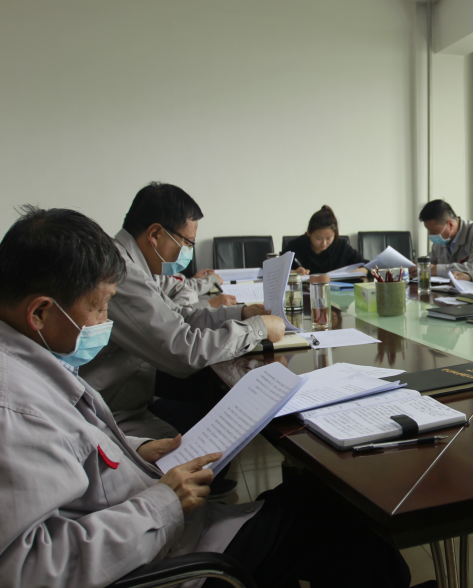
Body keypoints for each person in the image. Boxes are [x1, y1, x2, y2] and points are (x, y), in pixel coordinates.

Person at [0, 206, 417, 588]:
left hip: (155, 522)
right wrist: (164, 503)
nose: (106, 320)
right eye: (100, 307)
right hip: (166, 559)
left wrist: (132, 449)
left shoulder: (28, 363)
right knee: (340, 519)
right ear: (40, 313)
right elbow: (25, 570)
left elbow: (71, 453)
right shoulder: (14, 407)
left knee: (324, 500)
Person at [80, 182, 286, 441]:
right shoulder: (121, 273)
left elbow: (178, 316)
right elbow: (182, 350)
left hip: (128, 398)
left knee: (215, 407)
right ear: (155, 234)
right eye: (187, 242)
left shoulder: (135, 264)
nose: (187, 251)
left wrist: (239, 313)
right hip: (108, 415)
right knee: (224, 428)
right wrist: (256, 329)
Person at [417, 199, 473, 277]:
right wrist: (418, 266)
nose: (430, 234)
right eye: (428, 230)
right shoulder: (440, 241)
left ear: (450, 225)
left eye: (433, 230)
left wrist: (438, 270)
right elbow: (430, 264)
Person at [287, 205, 366, 275]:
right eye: (319, 238)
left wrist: (364, 270)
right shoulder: (295, 247)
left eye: (329, 238)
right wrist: (295, 272)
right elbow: (280, 272)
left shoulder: (341, 246)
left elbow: (366, 264)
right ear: (309, 232)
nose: (324, 243)